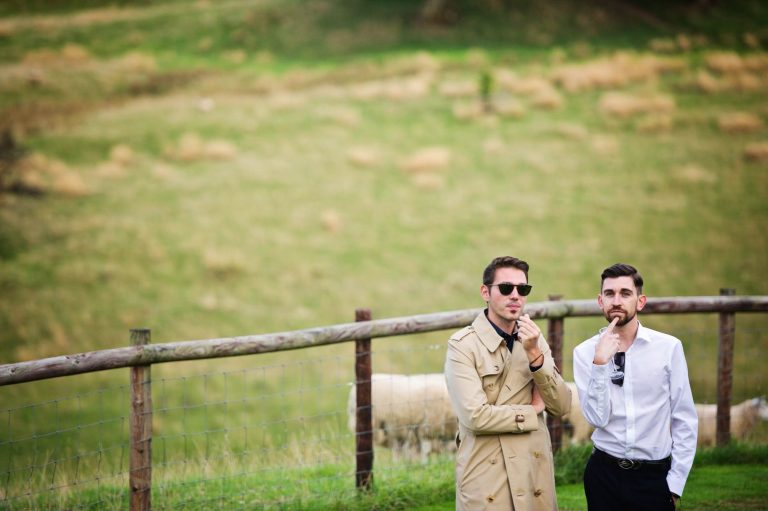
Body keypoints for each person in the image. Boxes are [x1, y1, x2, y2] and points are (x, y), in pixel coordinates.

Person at [444, 256, 571, 510]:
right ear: (485, 292)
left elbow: (562, 406)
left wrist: (535, 355)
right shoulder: (462, 346)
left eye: (522, 289)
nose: (515, 295)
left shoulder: (533, 339)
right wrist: (532, 410)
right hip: (487, 474)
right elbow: (475, 417)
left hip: (533, 469)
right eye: (505, 288)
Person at [572, 263, 697, 511]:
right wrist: (599, 364)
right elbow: (597, 418)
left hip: (653, 478)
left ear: (640, 301)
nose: (616, 300)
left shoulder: (668, 348)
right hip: (603, 475)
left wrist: (674, 484)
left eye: (625, 293)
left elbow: (684, 418)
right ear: (600, 301)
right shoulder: (585, 352)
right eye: (609, 294)